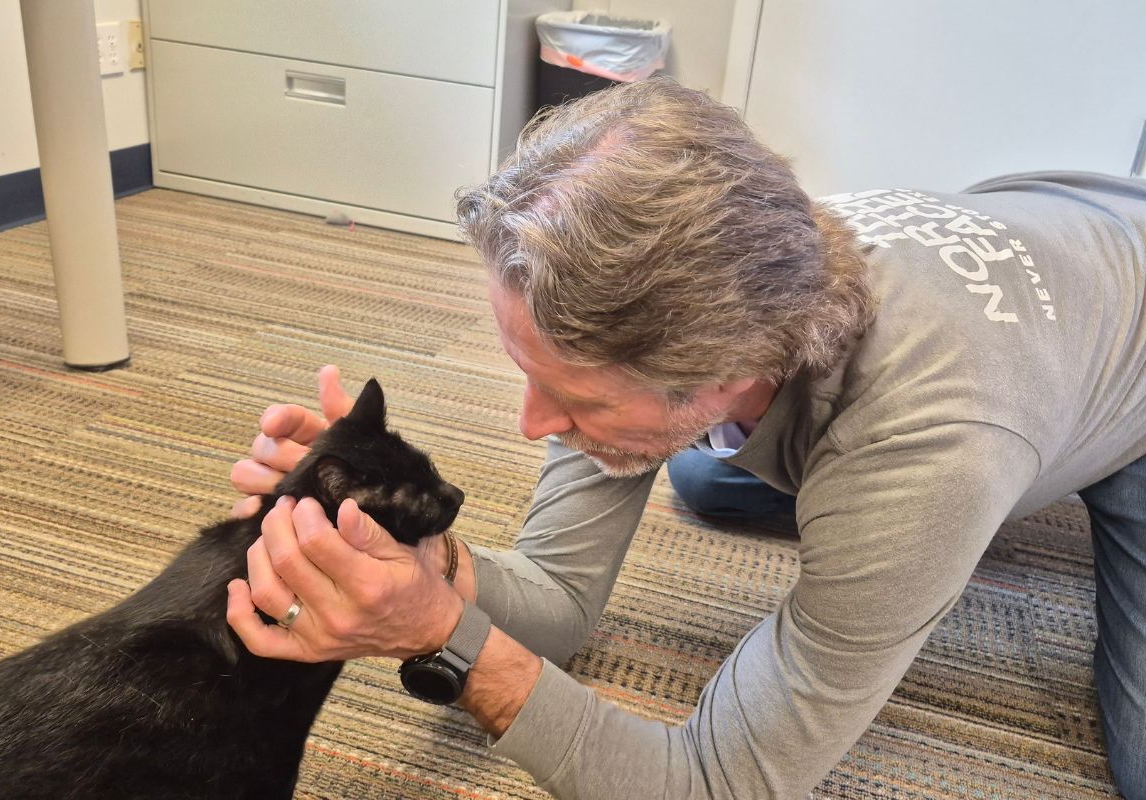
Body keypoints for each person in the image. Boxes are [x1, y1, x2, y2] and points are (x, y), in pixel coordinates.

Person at [224, 79, 1146, 799]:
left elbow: (716, 783)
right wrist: (409, 547)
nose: (532, 424)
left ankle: (1058, 460)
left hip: (1115, 357)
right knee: (704, 479)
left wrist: (441, 638)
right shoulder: (698, 262)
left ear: (723, 366)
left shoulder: (928, 446)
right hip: (1051, 221)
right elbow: (557, 603)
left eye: (567, 396)